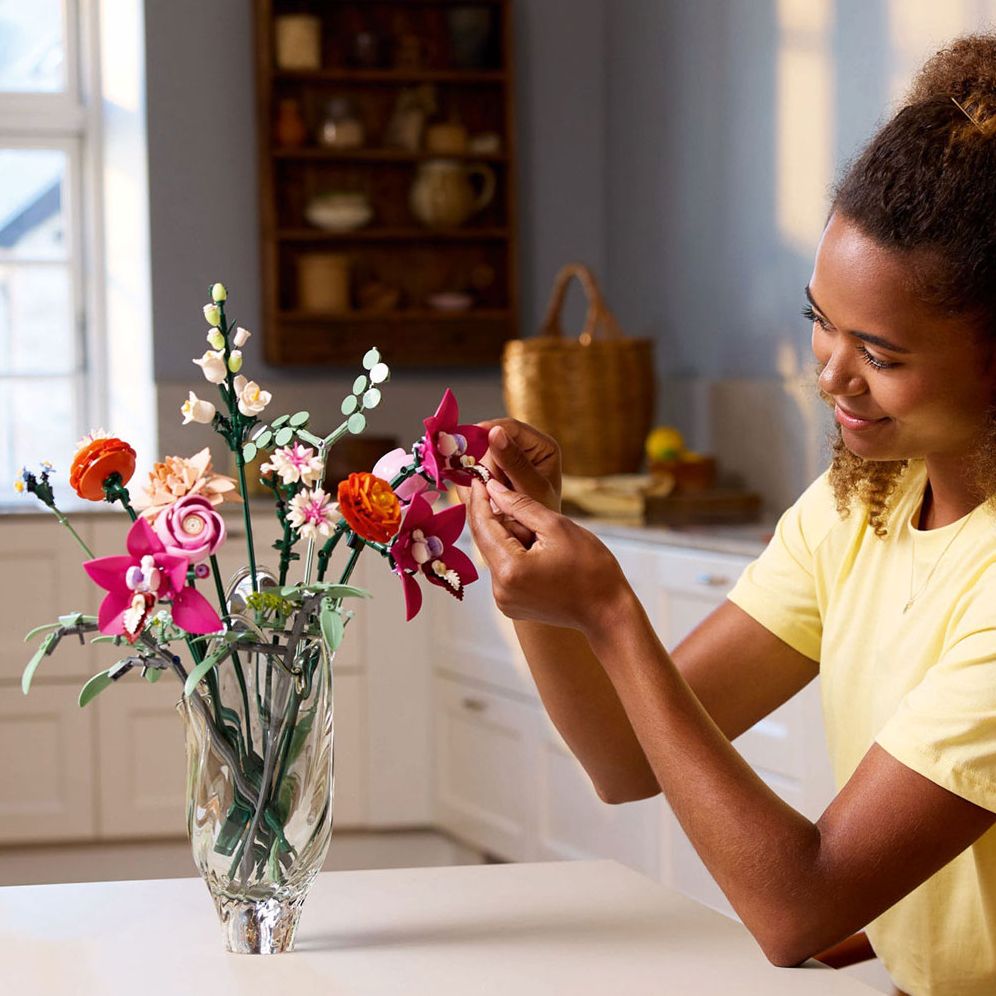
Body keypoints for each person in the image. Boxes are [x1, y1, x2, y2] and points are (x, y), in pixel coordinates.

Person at [464, 33, 996, 996]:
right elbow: (625, 760)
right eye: (820, 323)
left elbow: (797, 910)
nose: (829, 375)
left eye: (880, 352)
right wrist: (536, 582)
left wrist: (613, 613)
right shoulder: (862, 504)